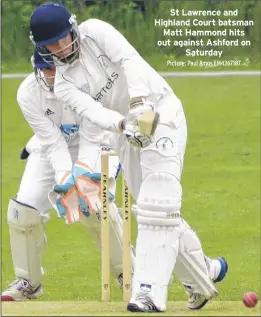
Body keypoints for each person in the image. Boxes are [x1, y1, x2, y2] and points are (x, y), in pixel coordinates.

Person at [29, 3, 228, 312]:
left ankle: (147, 294)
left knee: (159, 196)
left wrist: (138, 102)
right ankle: (203, 276)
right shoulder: (65, 84)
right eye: (50, 45)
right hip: (127, 133)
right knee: (152, 208)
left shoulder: (95, 32)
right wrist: (123, 123)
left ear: (72, 28)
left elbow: (129, 59)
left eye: (62, 38)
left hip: (160, 111)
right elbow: (93, 111)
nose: (59, 48)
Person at [1, 50, 135, 301]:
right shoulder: (28, 92)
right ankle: (28, 281)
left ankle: (127, 272)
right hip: (48, 147)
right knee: (24, 211)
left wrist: (80, 175)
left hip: (95, 143)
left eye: (54, 68)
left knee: (95, 207)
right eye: (44, 70)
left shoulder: (86, 82)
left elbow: (91, 134)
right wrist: (65, 179)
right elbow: (52, 144)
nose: (50, 76)